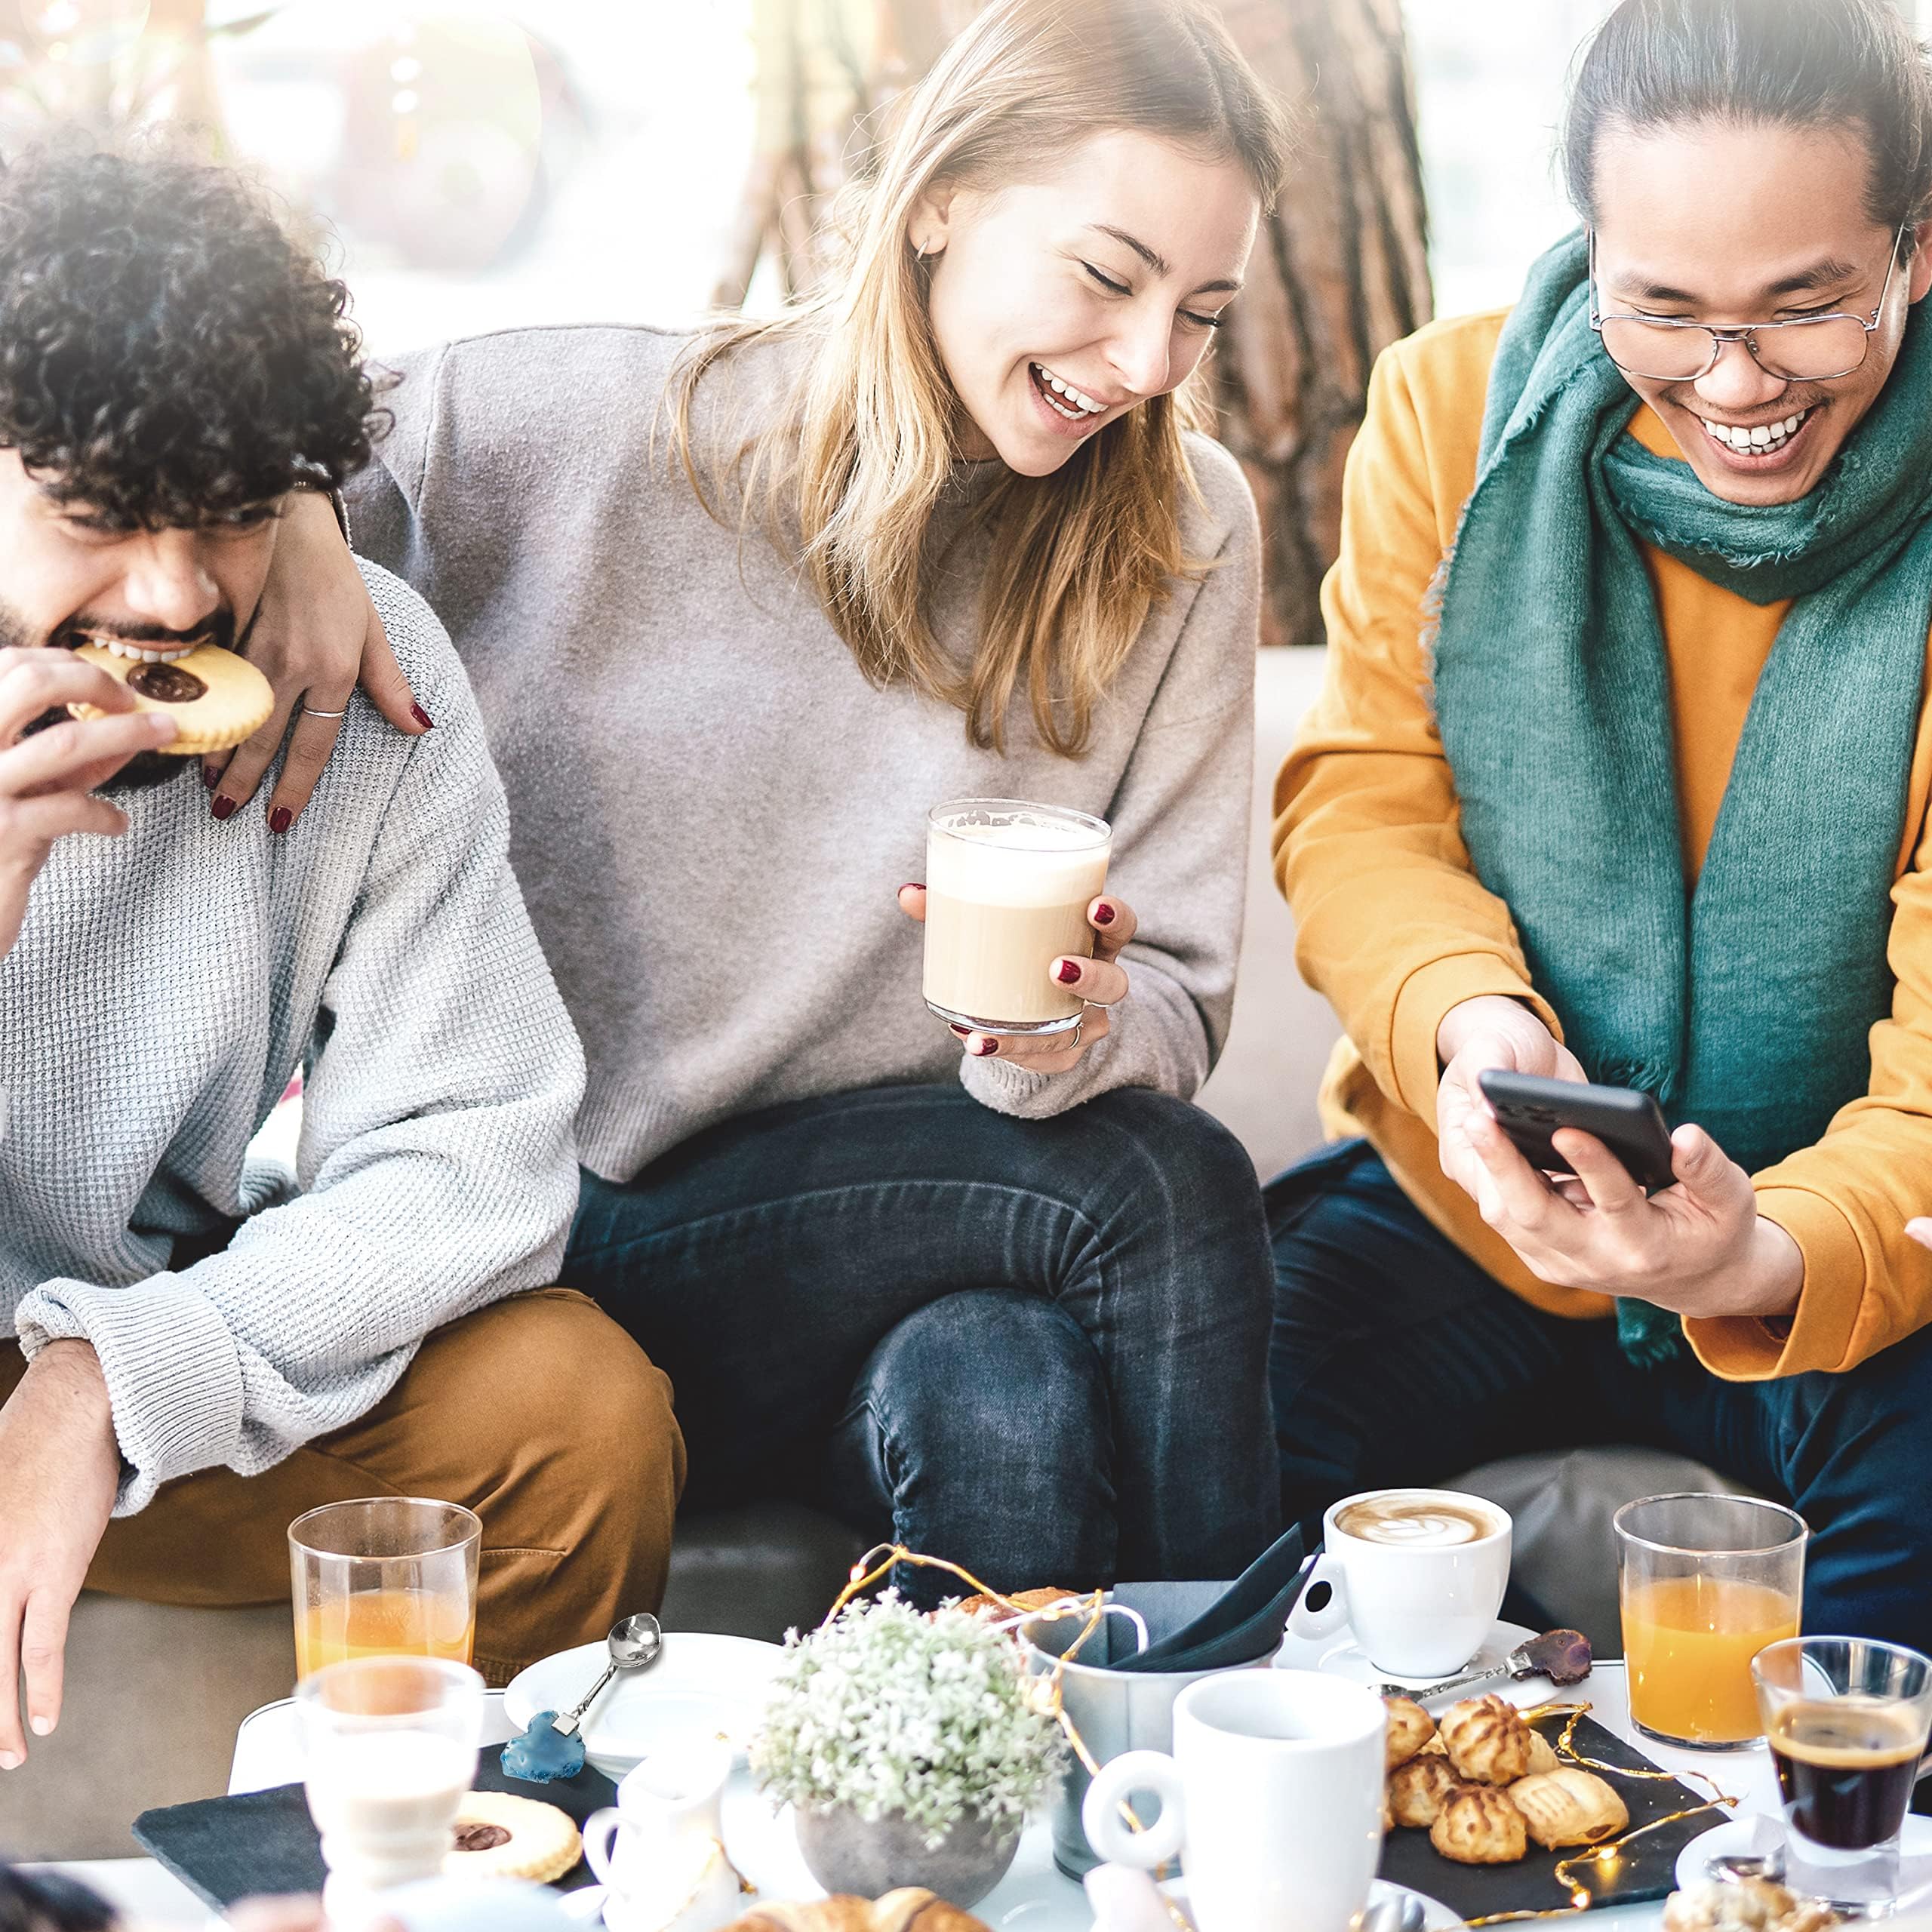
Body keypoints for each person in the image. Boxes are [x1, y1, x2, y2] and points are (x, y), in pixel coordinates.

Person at [220, 0, 1290, 1601]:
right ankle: (1261, 1722)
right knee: (1157, 1181)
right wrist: (293, 516)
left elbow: (1178, 1006)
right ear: (941, 200)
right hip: (575, 1236)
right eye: (1104, 274)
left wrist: (1077, 1038)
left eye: (1199, 312)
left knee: (1002, 1390)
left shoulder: (1182, 532)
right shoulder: (580, 431)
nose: (1146, 365)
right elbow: (195, 458)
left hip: (936, 1238)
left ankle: (966, 1840)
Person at [0, 144, 685, 1777]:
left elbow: (474, 1153)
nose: (174, 592)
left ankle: (435, 1867)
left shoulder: (345, 684)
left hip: (134, 1366)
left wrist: (109, 1373)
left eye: (230, 511)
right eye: (102, 517)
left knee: (579, 1415)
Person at [1272, 0, 1932, 1644]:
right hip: (1478, 1212)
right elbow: (1365, 803)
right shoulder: (1443, 416)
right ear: (1590, 250)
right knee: (1207, 1390)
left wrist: (1747, 1254)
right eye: (1664, 310)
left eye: (1803, 308)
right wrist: (1468, 1027)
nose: (1731, 382)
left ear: (1910, 252)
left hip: (1826, 1244)